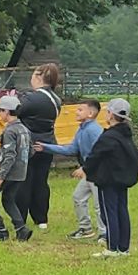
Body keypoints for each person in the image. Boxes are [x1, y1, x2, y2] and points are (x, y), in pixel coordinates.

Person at [36, 98, 103, 240]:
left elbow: (100, 152)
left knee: (99, 205)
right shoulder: (82, 129)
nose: (76, 112)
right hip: (90, 172)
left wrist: (85, 168)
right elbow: (71, 149)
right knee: (78, 197)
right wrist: (46, 147)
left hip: (99, 172)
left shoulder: (94, 130)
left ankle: (104, 234)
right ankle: (85, 229)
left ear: (90, 113)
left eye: (80, 109)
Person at [83, 98, 138, 259]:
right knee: (122, 211)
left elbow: (95, 155)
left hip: (108, 180)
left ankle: (112, 247)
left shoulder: (109, 136)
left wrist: (86, 169)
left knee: (109, 213)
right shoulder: (126, 135)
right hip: (122, 179)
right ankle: (123, 248)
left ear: (112, 115)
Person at [15, 64, 63, 230]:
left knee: (24, 181)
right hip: (48, 143)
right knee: (41, 182)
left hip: (28, 144)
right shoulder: (56, 99)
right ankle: (41, 218)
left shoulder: (33, 98)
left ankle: (20, 218)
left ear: (38, 76)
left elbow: (17, 111)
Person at [0, 93, 31, 241]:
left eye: (0, 110)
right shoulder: (24, 129)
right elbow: (31, 150)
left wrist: (0, 176)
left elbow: (9, 155)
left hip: (8, 172)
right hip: (21, 172)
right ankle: (21, 229)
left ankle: (0, 229)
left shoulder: (10, 131)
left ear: (7, 112)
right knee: (8, 199)